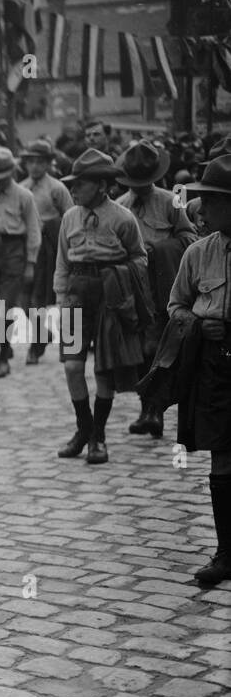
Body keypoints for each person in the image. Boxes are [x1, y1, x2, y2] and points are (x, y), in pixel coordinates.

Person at [139, 155, 231, 585]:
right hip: (212, 366)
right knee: (221, 459)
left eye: (211, 202)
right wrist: (197, 323)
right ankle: (226, 552)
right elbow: (175, 306)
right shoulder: (198, 253)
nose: (201, 210)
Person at [52, 149, 150, 466]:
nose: (74, 189)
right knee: (71, 366)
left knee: (104, 369)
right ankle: (83, 428)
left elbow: (139, 258)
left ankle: (98, 437)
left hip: (110, 295)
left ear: (101, 186)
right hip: (75, 294)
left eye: (80, 184)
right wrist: (60, 299)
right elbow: (62, 263)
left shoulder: (122, 218)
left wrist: (120, 279)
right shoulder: (69, 217)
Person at [116, 141, 198, 439]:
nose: (138, 188)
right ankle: (145, 408)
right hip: (133, 288)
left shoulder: (170, 201)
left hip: (164, 286)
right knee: (138, 351)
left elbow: (190, 236)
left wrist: (161, 248)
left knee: (157, 349)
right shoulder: (120, 206)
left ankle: (156, 410)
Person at [0, 146, 41, 377]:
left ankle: (3, 357)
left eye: (3, 177)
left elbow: (34, 230)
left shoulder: (24, 196)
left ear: (12, 173)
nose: (0, 181)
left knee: (5, 305)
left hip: (14, 248)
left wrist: (31, 263)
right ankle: (5, 347)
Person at [19, 140, 73, 364]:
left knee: (41, 297)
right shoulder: (21, 187)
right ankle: (43, 334)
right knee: (23, 298)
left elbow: (71, 217)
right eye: (30, 162)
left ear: (49, 163)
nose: (34, 167)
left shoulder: (56, 188)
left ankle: (37, 344)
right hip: (26, 247)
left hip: (50, 247)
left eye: (39, 162)